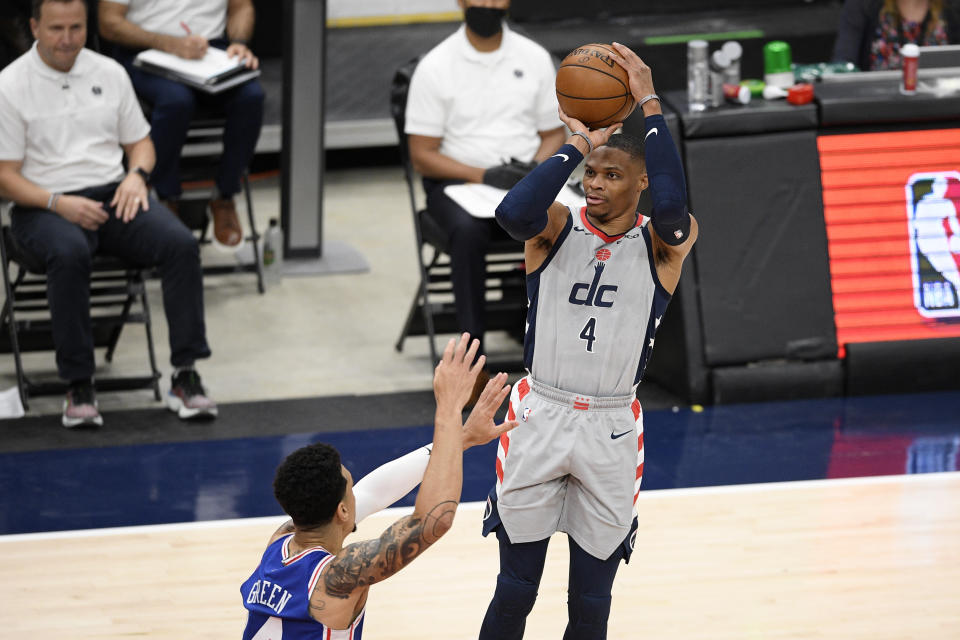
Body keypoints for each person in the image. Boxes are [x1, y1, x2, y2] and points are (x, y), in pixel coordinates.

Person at [478, 43, 699, 638]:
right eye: (590, 174)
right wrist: (576, 141)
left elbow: (676, 210)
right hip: (540, 413)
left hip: (611, 427)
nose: (594, 184)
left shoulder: (664, 243)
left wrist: (649, 103)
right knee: (515, 590)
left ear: (642, 181)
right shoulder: (555, 227)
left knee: (591, 601)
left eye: (611, 174)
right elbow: (511, 213)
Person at [0, 0, 217, 427]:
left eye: (76, 28)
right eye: (56, 28)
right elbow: (4, 176)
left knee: (179, 244)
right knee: (69, 252)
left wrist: (136, 175)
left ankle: (185, 374)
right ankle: (79, 383)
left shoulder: (109, 72)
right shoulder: (10, 85)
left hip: (113, 194)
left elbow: (141, 143)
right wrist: (58, 202)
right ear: (34, 27)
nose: (67, 39)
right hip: (41, 204)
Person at [241, 334, 518, 639]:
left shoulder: (280, 544)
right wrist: (449, 409)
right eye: (349, 486)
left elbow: (373, 492)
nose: (356, 490)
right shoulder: (338, 577)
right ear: (342, 511)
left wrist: (461, 438)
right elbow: (431, 522)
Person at [404, 0, 566, 392]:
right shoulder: (435, 66)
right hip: (459, 184)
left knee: (570, 219)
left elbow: (553, 133)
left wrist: (533, 173)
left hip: (524, 179)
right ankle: (472, 364)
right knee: (467, 232)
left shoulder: (534, 57)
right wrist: (483, 175)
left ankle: (560, 354)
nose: (489, 5)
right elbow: (422, 155)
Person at [98, 0, 264, 249]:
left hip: (210, 50)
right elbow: (109, 23)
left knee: (251, 97)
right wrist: (169, 43)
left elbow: (241, 6)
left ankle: (225, 195)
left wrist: (238, 43)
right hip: (145, 50)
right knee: (176, 101)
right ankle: (165, 197)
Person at [833, 0, 960, 70]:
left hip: (940, 106)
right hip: (876, 107)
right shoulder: (862, 5)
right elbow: (843, 65)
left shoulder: (952, 7)